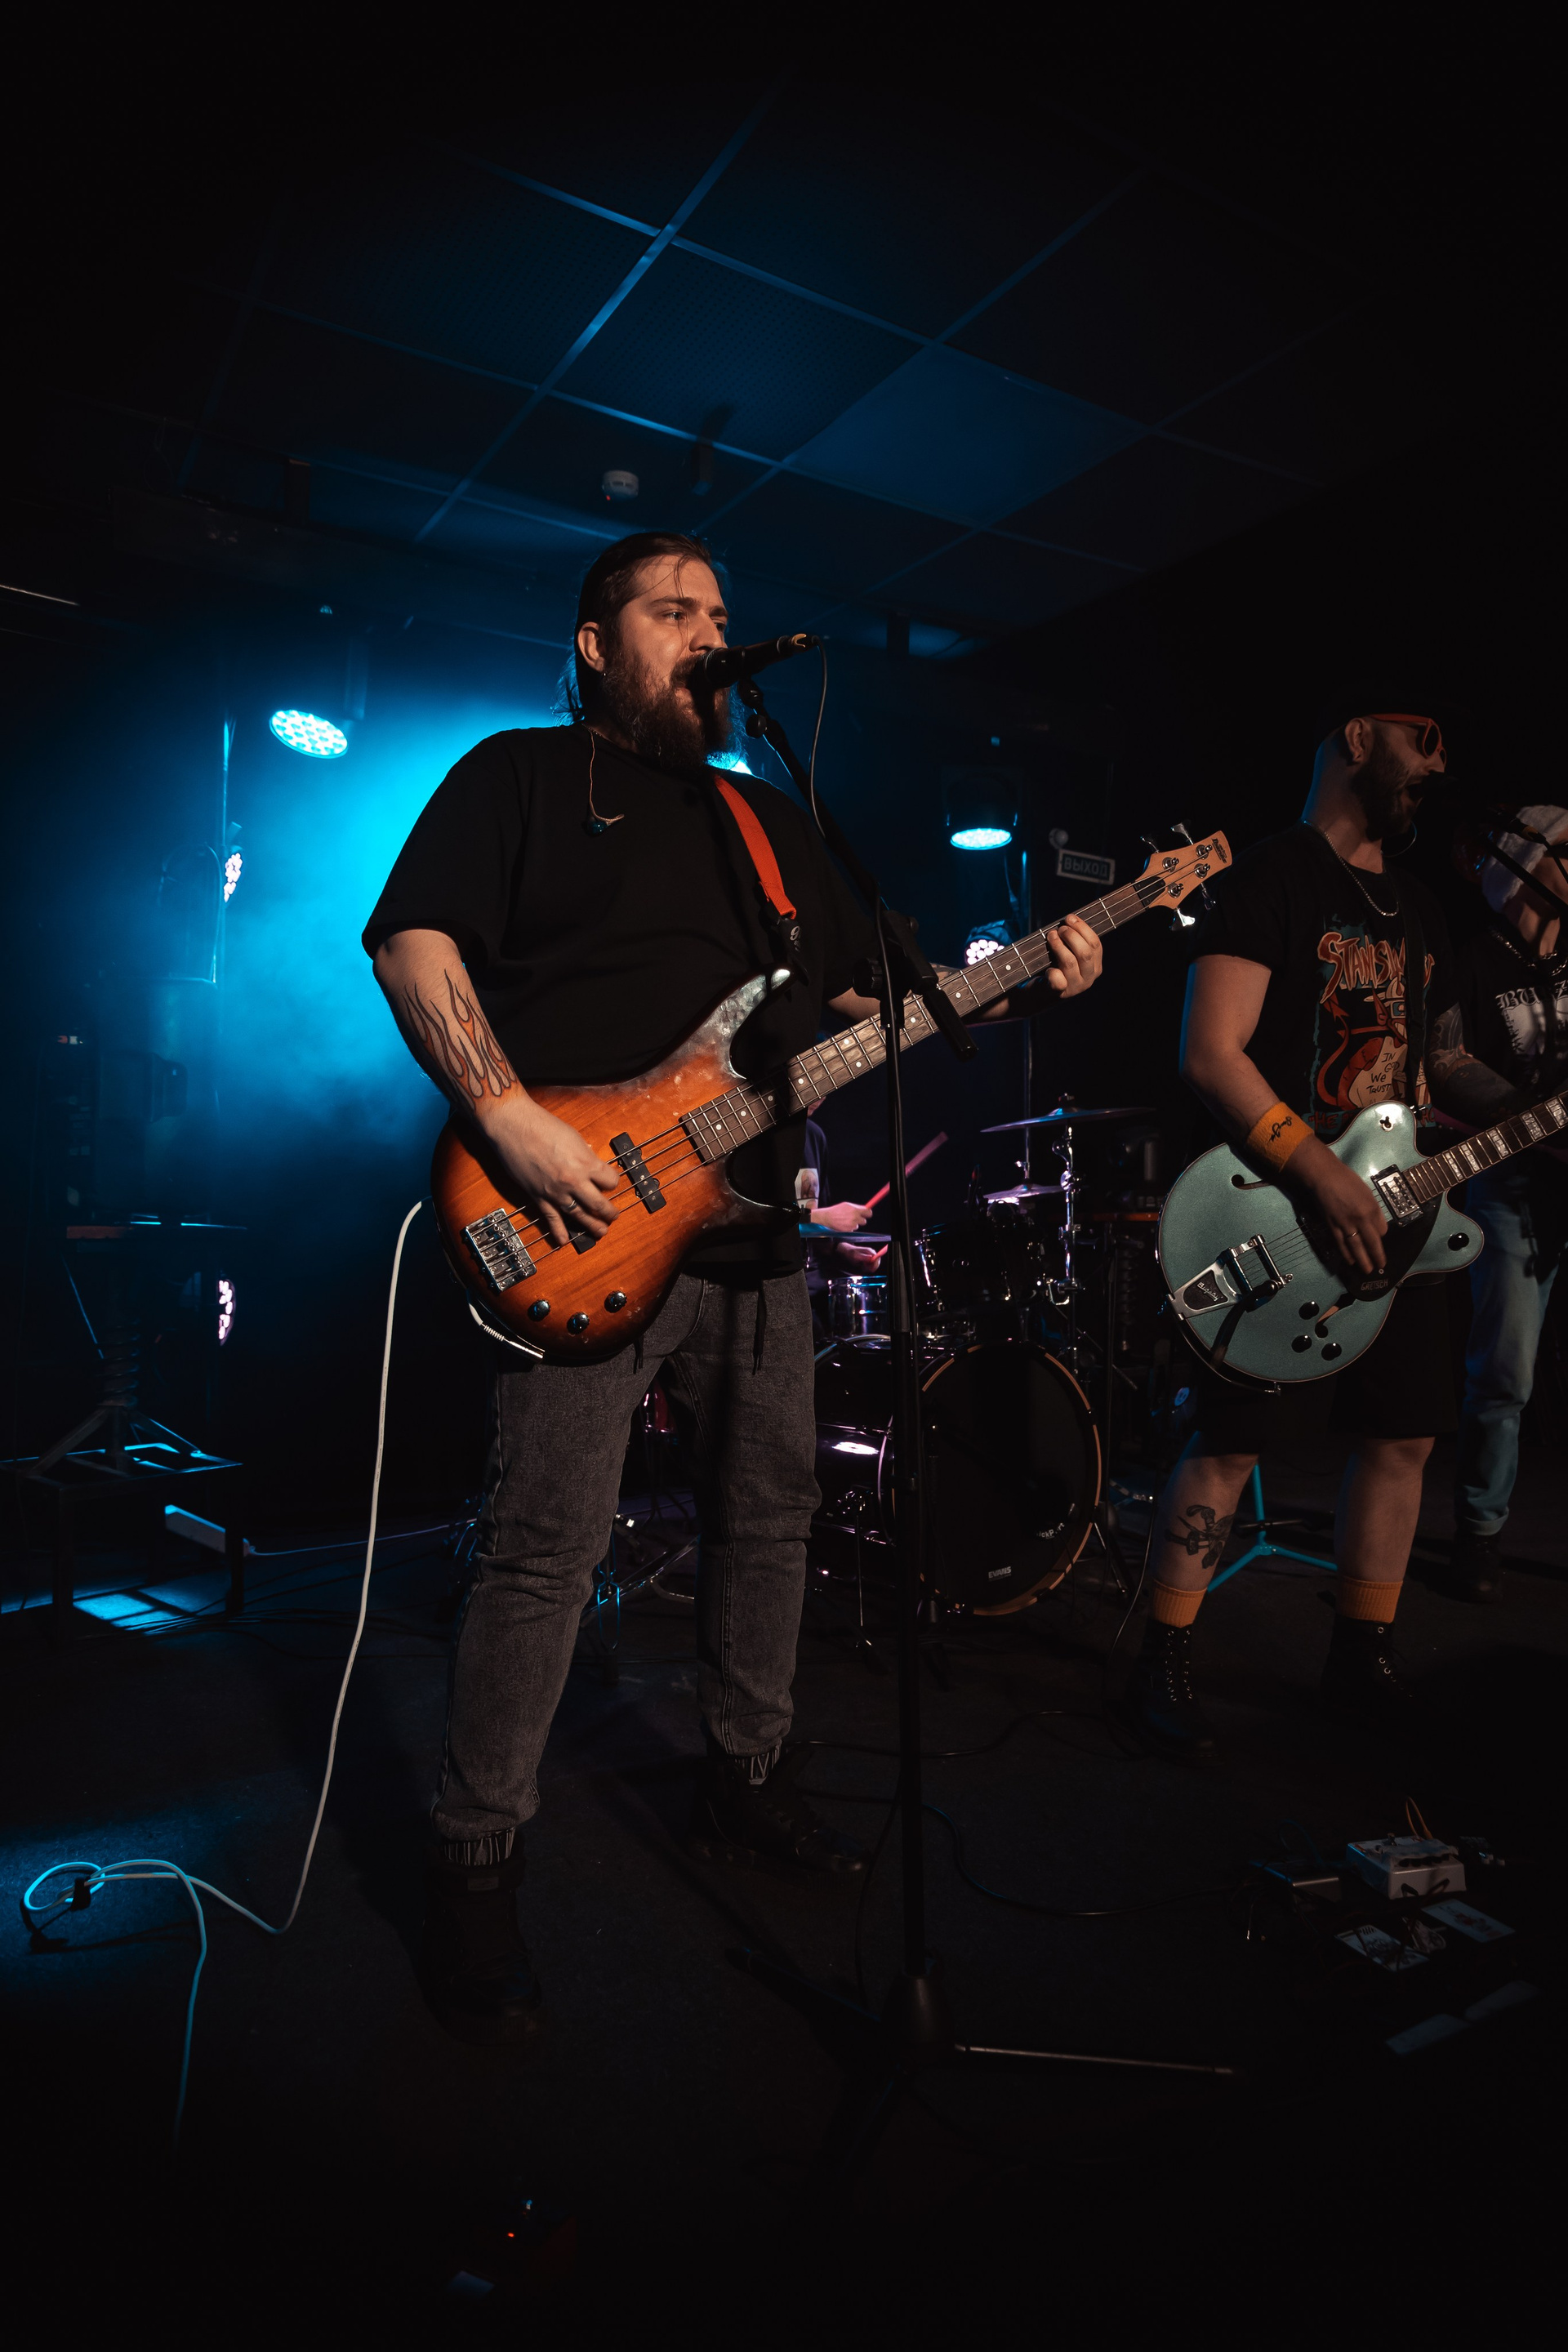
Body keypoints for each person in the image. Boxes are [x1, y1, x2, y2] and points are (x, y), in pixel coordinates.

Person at [363, 530, 1104, 2039]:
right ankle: (476, 1858)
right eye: (672, 610)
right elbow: (413, 941)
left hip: (756, 1233)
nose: (707, 633)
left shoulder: (765, 819)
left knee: (773, 1517)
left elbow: (863, 998)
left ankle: (746, 1777)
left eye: (718, 612)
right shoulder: (519, 776)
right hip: (575, 1216)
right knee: (544, 1552)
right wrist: (507, 1118)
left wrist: (1020, 970)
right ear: (596, 644)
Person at [1125, 703, 1525, 1762]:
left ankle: (1361, 1659)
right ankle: (1163, 1656)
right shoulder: (1271, 877)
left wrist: (1531, 1112)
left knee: (1403, 1437)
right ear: (1358, 737)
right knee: (1231, 1443)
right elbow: (1211, 1052)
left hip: (1404, 1216)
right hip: (1280, 1210)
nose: (1441, 757)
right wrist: (1320, 1175)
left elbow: (1439, 1066)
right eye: (1423, 735)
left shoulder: (1423, 907)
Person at [1445, 807, 1568, 1601]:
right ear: (1526, 861)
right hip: (1510, 1181)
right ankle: (1479, 1533)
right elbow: (1443, 1061)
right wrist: (1538, 1122)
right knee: (1505, 1370)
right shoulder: (1473, 961)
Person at [799, 1106, 884, 1343]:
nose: (819, 1097)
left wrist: (843, 1249)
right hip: (770, 1286)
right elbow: (753, 1218)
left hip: (815, 1287)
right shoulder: (759, 1138)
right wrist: (822, 1218)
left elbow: (809, 1224)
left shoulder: (813, 1135)